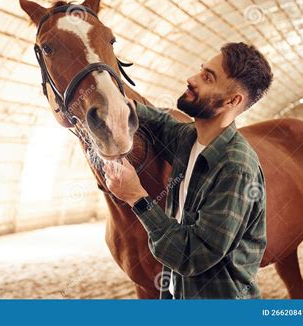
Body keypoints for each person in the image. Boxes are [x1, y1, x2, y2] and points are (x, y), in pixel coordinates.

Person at [104, 42, 273, 299]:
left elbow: (193, 255)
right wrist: (127, 105)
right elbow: (162, 124)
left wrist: (136, 197)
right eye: (200, 70)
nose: (191, 79)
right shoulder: (190, 140)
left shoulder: (236, 169)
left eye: (207, 78)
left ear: (232, 101)